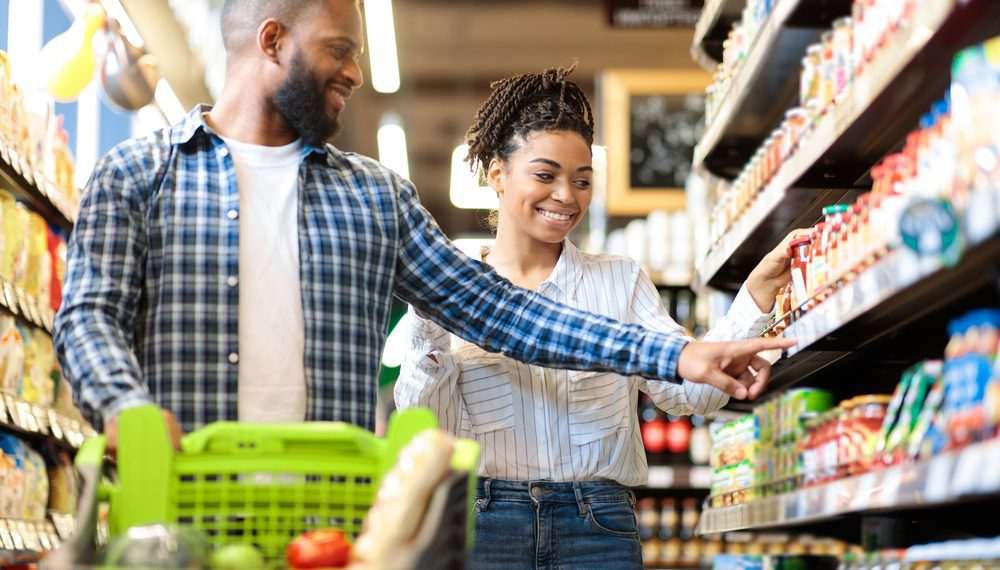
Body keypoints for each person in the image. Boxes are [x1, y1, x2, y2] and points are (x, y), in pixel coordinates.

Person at [53, 0, 791, 448]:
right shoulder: (136, 175)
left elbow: (501, 313)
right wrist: (125, 406)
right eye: (339, 51)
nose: (355, 74)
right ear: (272, 42)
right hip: (178, 506)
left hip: (332, 521)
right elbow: (88, 317)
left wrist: (676, 356)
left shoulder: (377, 199)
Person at [394, 66, 803, 569]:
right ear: (496, 174)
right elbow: (423, 422)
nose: (566, 196)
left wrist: (755, 298)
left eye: (582, 180)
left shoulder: (619, 280)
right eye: (545, 175)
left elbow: (686, 395)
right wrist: (430, 318)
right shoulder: (453, 289)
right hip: (485, 524)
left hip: (597, 525)